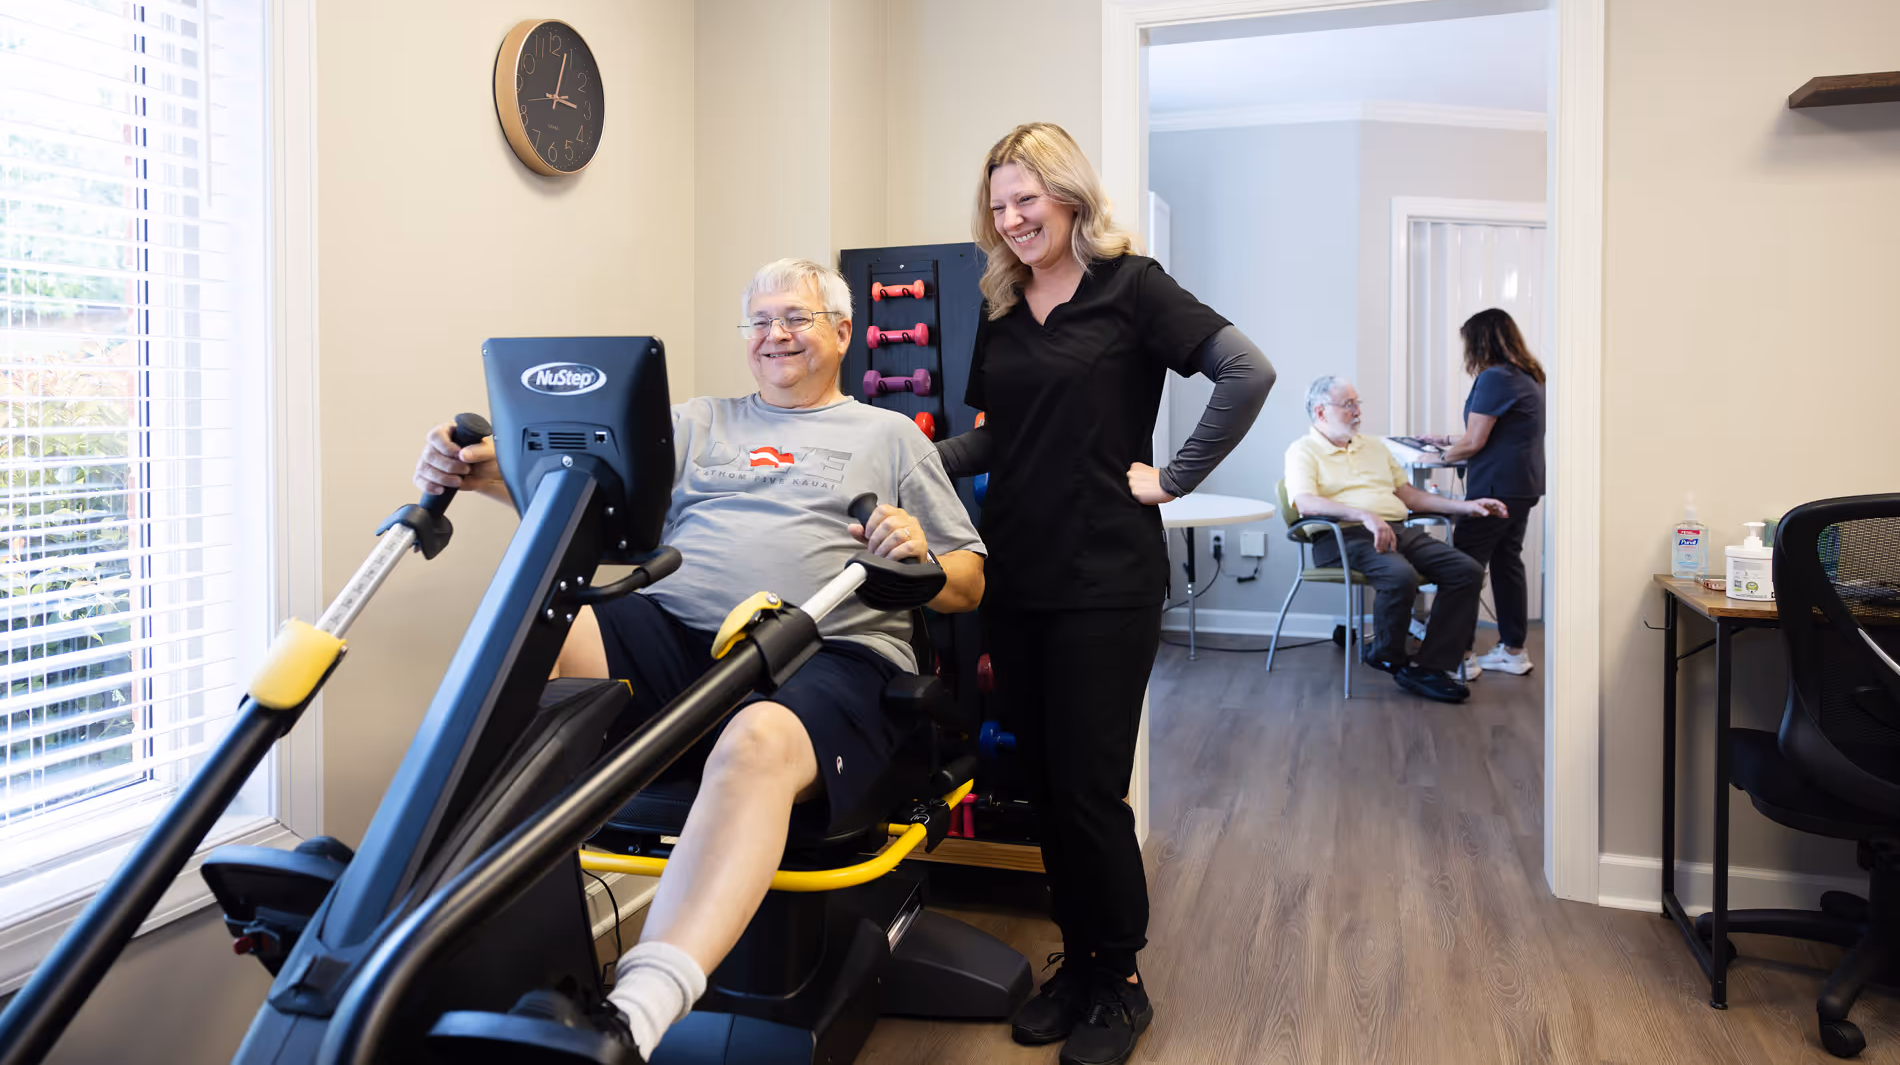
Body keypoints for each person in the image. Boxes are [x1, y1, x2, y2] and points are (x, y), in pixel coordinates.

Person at [412, 258, 985, 1063]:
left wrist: (917, 550)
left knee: (756, 737)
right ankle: (433, 927)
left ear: (843, 331)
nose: (775, 334)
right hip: (678, 640)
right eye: (760, 320)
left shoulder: (889, 436)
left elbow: (967, 581)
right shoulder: (696, 423)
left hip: (830, 650)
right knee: (535, 628)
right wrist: (477, 471)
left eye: (796, 316)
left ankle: (636, 1013)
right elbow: (575, 489)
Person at [933, 123, 1271, 1065]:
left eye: (1026, 200)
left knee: (1087, 785)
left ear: (1069, 195)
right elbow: (998, 438)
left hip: (1106, 579)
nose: (1012, 220)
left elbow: (1247, 370)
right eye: (998, 206)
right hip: (1018, 571)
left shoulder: (1133, 287)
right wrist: (898, 460)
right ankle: (1078, 963)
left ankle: (1119, 979)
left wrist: (1176, 476)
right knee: (1039, 781)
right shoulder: (1002, 306)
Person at [1285, 375, 1507, 704]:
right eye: (1349, 405)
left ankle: (1430, 666)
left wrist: (1466, 506)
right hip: (1340, 536)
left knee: (1467, 571)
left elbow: (1409, 496)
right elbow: (1306, 503)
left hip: (1394, 529)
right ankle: (1388, 654)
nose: (1358, 411)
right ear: (1320, 412)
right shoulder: (1303, 450)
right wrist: (1363, 515)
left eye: (1358, 403)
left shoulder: (1374, 447)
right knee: (1399, 575)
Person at [1418, 307, 1547, 677]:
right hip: (1522, 485)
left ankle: (1456, 657)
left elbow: (1475, 442)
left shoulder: (1495, 377)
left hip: (1495, 488)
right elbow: (1496, 433)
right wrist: (1445, 439)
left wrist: (1438, 456)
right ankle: (1513, 650)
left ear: (1481, 341)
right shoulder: (1528, 376)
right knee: (1507, 563)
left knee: (1463, 566)